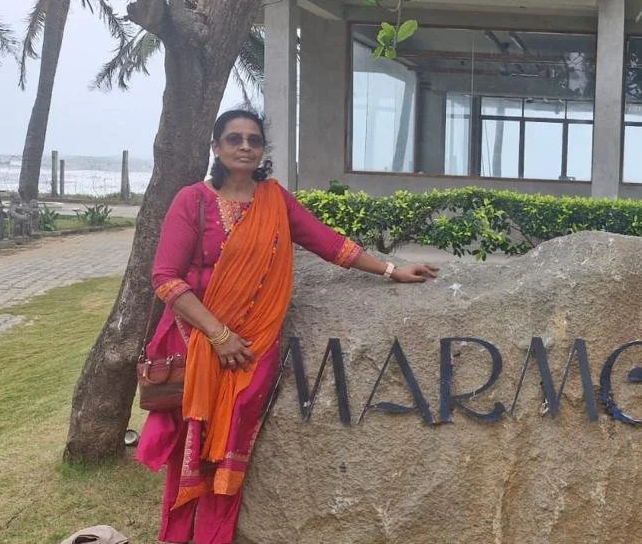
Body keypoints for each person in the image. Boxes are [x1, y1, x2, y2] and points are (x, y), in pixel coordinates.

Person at [136, 109, 440, 544]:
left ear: (262, 150)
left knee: (230, 449)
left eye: (254, 140)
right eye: (234, 138)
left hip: (253, 348)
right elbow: (165, 278)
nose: (244, 146)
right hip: (197, 343)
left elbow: (329, 243)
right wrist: (218, 335)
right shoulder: (193, 201)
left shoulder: (274, 200)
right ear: (216, 147)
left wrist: (392, 269)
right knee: (192, 448)